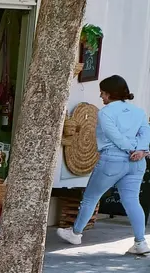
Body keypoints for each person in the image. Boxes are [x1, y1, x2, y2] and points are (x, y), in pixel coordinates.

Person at [57, 75, 150, 255]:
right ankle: (140, 242)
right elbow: (146, 133)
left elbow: (114, 135)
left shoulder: (105, 113)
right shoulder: (139, 112)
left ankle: (76, 233)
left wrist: (131, 149)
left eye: (102, 92)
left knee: (91, 197)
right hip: (137, 161)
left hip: (113, 160)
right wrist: (141, 151)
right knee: (132, 201)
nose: (100, 96)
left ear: (109, 93)